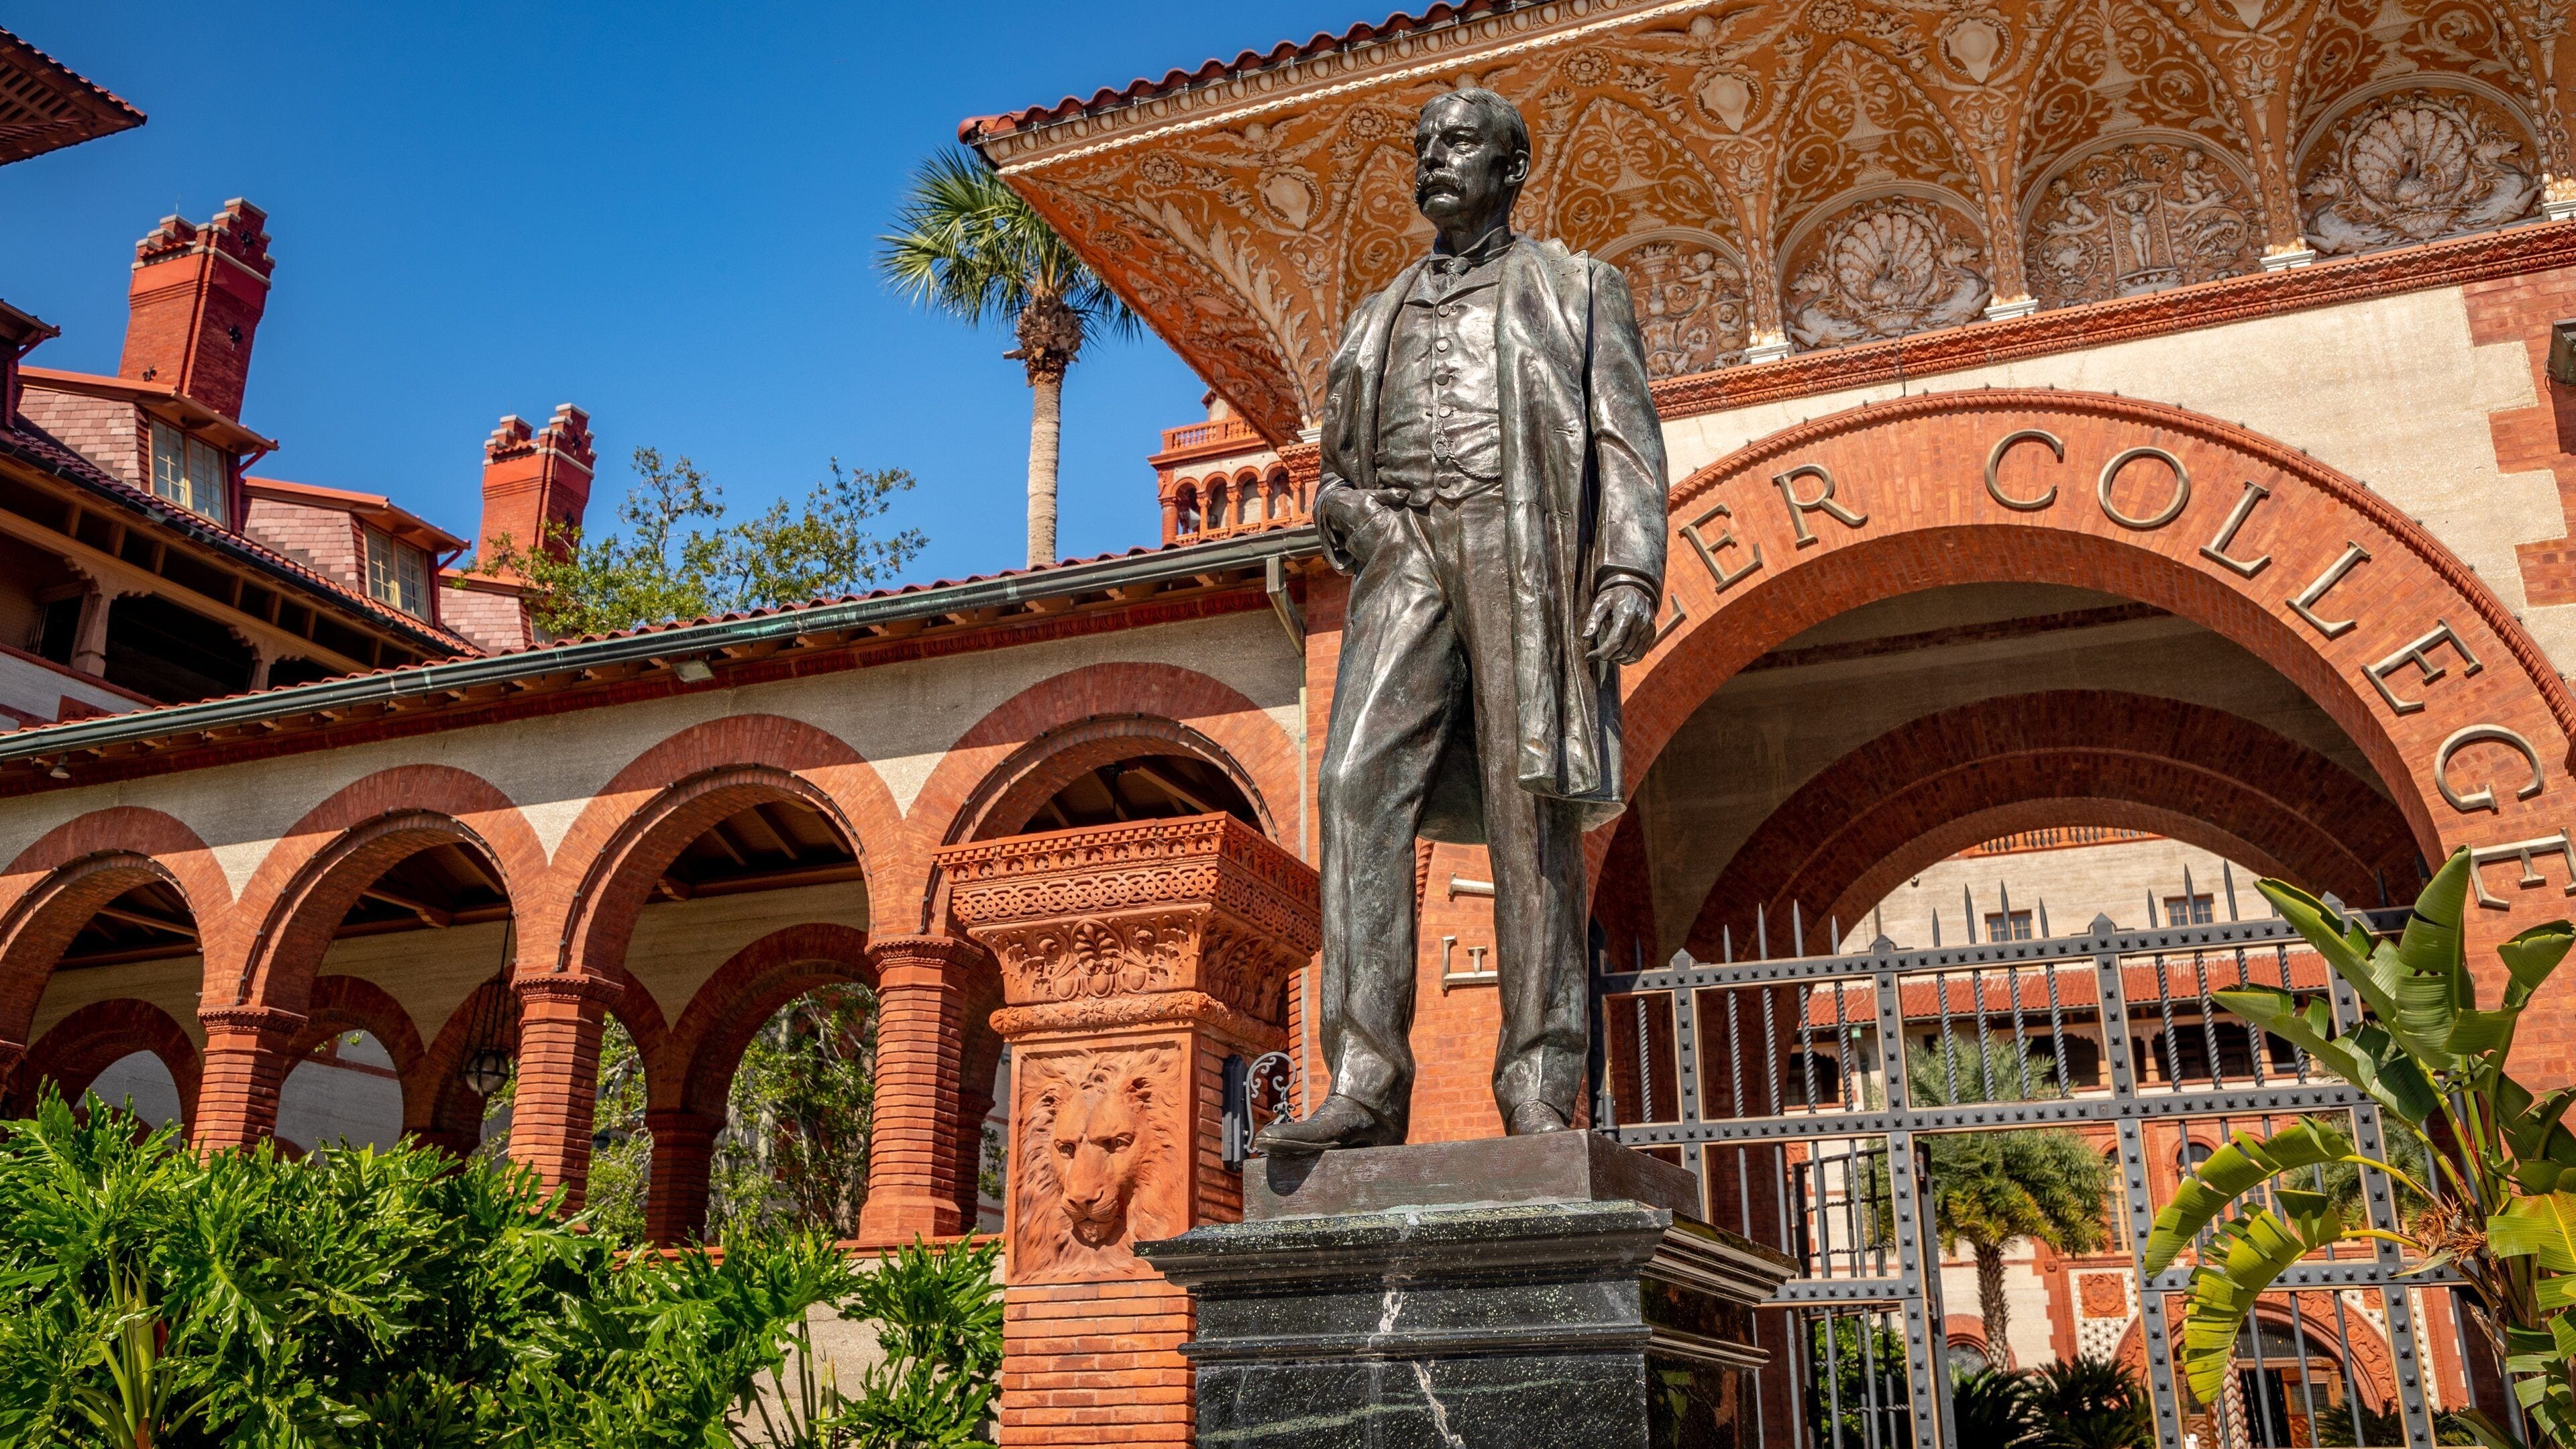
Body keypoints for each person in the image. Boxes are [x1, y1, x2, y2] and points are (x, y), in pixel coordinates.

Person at [1252, 88, 1666, 1152]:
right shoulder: (1376, 312)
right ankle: (1365, 1082)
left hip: (1519, 544)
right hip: (1404, 553)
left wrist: (1629, 567)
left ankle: (1539, 1085)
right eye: (1424, 145)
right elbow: (1332, 473)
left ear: (1512, 167)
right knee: (1353, 783)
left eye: (1460, 143)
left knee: (1531, 809)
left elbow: (1624, 438)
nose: (1435, 159)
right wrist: (1350, 515)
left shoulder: (1578, 289)